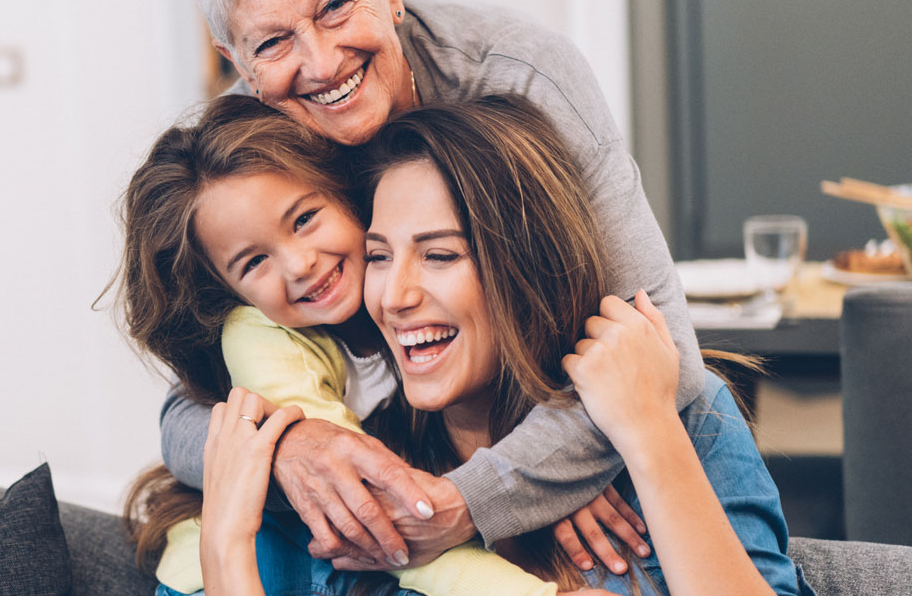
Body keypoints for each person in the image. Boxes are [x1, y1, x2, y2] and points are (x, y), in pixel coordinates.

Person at [160, 0, 704, 573]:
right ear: (233, 57)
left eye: (333, 7)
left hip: (547, 439)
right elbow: (184, 416)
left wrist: (476, 494)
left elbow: (660, 352)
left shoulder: (519, 77)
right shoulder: (248, 147)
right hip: (410, 452)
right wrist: (292, 445)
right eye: (271, 43)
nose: (321, 62)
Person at [174, 97, 809, 595]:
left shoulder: (684, 419)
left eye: (441, 254)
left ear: (527, 266)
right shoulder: (379, 465)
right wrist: (227, 548)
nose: (393, 296)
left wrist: (647, 434)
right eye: (377, 256)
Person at [120, 94, 566, 595]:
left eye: (304, 219)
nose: (299, 264)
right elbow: (369, 507)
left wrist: (547, 485)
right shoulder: (260, 339)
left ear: (346, 194)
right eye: (253, 263)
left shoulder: (407, 309)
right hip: (248, 567)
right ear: (228, 292)